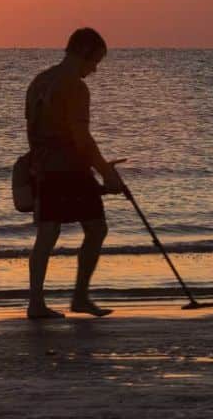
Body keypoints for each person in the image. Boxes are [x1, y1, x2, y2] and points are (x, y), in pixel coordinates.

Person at [25, 27, 125, 319]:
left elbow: (32, 129)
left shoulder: (38, 82)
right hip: (71, 167)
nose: (93, 70)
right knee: (96, 228)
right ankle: (80, 297)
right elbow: (82, 137)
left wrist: (38, 164)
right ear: (83, 53)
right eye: (94, 62)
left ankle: (36, 303)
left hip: (43, 166)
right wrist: (107, 173)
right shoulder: (75, 87)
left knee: (47, 233)